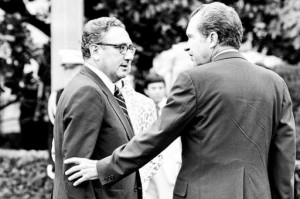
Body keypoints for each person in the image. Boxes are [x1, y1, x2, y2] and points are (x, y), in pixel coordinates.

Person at [64, 2, 296, 199]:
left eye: (191, 37)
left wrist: (102, 167)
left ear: (212, 38)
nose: (187, 46)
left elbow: (155, 138)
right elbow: (284, 158)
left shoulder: (194, 80)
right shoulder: (275, 83)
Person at [53, 17, 143, 199]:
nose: (129, 56)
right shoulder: (88, 91)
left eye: (130, 48)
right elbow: (75, 176)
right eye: (120, 48)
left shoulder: (98, 88)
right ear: (95, 51)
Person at [143, 72, 182, 199]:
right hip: (147, 163)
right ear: (146, 90)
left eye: (160, 88)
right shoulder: (142, 108)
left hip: (169, 163)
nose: (157, 92)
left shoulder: (172, 107)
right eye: (153, 88)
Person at [47, 49, 83, 180]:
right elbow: (53, 133)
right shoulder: (56, 97)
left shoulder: (92, 94)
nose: (69, 72)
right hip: (62, 163)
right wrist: (51, 162)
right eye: (66, 68)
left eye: (73, 67)